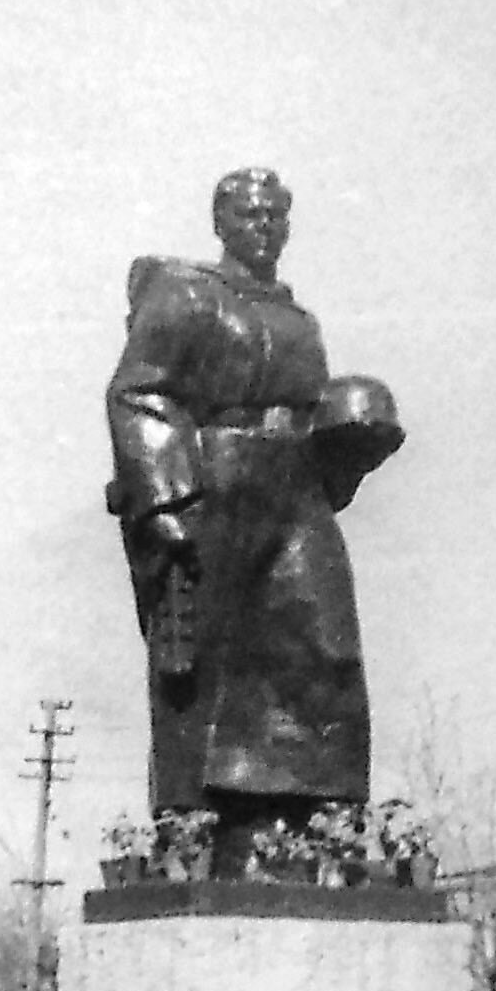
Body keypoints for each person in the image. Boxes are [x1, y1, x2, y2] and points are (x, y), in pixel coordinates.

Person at [105, 167, 404, 872]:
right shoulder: (185, 294)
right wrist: (166, 500)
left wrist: (351, 441)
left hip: (296, 488)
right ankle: (197, 832)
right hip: (214, 482)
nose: (264, 228)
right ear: (222, 223)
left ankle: (319, 825)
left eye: (275, 216)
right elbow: (138, 394)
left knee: (325, 643)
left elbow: (311, 411)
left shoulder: (299, 321)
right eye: (249, 215)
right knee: (203, 663)